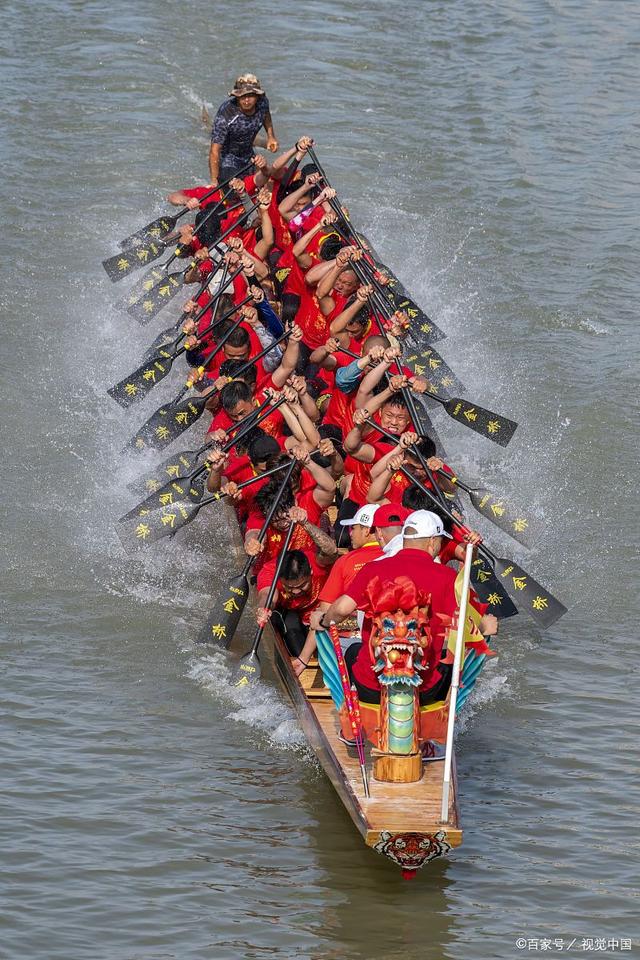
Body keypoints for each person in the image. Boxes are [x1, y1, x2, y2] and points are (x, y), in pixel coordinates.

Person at [309, 510, 498, 708]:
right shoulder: (449, 578)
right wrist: (487, 625)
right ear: (433, 541)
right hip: (424, 689)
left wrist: (322, 620)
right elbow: (474, 624)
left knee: (353, 651)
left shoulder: (373, 569)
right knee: (449, 660)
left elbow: (340, 609)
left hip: (371, 687)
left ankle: (349, 722)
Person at [209, 74, 278, 186]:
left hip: (248, 153)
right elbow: (214, 151)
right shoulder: (227, 113)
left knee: (266, 183)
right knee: (233, 189)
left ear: (257, 96)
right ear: (236, 96)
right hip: (228, 157)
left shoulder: (263, 103)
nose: (246, 100)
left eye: (250, 95)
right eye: (242, 96)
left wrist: (271, 136)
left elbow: (266, 115)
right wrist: (213, 181)